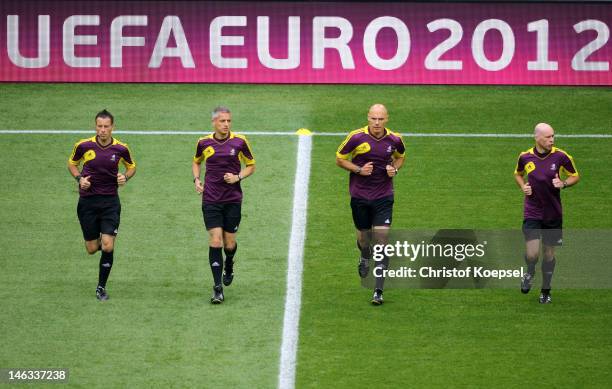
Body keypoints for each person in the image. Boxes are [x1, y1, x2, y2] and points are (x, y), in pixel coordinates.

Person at [336, 104, 405, 305]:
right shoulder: (356, 137)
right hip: (359, 197)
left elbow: (400, 157)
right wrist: (358, 169)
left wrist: (395, 169)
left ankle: (378, 290)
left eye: (380, 119)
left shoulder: (395, 139)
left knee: (382, 243)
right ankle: (365, 255)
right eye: (373, 118)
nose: (376, 123)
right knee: (364, 240)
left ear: (387, 119)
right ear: (368, 118)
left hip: (384, 196)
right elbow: (340, 159)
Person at [67, 109, 136, 301]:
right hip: (87, 202)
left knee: (107, 245)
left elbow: (131, 167)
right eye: (99, 126)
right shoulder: (83, 146)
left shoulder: (121, 148)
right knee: (91, 248)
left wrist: (125, 177)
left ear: (113, 127)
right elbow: (72, 164)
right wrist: (80, 178)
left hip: (110, 203)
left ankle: (101, 287)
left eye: (106, 126)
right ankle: (105, 238)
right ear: (95, 126)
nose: (103, 130)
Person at [192, 106, 255, 304]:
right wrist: (196, 179)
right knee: (216, 241)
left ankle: (229, 263)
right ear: (214, 123)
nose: (226, 124)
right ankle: (217, 287)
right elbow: (196, 162)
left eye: (228, 121)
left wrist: (237, 177)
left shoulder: (240, 141)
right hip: (211, 199)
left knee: (229, 244)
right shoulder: (203, 142)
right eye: (222, 121)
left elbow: (251, 165)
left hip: (233, 200)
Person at [514, 123, 579, 304]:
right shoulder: (525, 157)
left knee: (549, 255)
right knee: (532, 255)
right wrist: (523, 186)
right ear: (537, 138)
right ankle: (530, 271)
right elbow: (518, 174)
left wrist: (564, 183)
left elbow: (575, 175)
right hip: (532, 212)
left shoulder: (561, 156)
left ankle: (546, 289)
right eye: (548, 137)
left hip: (553, 214)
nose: (551, 140)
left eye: (553, 136)